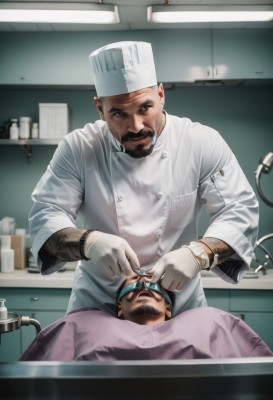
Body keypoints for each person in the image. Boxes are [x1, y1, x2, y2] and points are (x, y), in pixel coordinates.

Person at [29, 41, 259, 317]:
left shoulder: (200, 142)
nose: (135, 126)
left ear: (161, 94)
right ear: (99, 108)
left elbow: (239, 210)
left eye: (145, 108)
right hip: (96, 306)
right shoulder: (79, 148)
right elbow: (45, 216)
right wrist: (88, 243)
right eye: (119, 114)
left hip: (180, 305)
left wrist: (200, 254)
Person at [20, 274, 272, 361]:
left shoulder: (208, 321)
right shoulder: (81, 324)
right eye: (133, 283)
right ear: (119, 308)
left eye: (153, 284)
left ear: (169, 309)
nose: (143, 285)